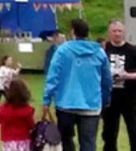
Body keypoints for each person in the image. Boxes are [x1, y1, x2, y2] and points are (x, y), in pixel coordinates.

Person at [42, 18, 112, 151]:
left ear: (73, 32)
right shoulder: (99, 52)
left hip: (66, 104)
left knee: (66, 140)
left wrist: (46, 100)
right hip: (91, 105)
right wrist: (104, 100)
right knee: (88, 142)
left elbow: (53, 77)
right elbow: (107, 80)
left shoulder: (62, 51)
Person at [102, 19, 136, 151]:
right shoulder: (103, 50)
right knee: (109, 132)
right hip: (110, 98)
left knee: (133, 129)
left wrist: (127, 76)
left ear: (124, 32)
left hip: (130, 98)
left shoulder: (132, 50)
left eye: (120, 31)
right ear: (109, 33)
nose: (117, 34)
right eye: (114, 31)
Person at [0, 78, 36, 151]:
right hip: (23, 141)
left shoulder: (3, 109)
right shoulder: (27, 110)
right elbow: (31, 125)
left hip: (8, 142)